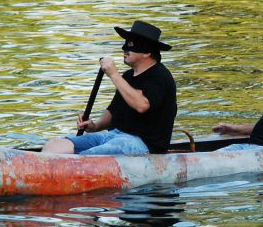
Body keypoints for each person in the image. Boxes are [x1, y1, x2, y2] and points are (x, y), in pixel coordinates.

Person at [42, 21, 177, 156]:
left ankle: (70, 169)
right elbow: (114, 111)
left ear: (147, 52)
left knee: (88, 155)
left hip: (142, 144)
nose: (124, 49)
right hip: (113, 135)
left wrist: (113, 74)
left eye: (130, 45)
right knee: (54, 145)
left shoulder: (160, 76)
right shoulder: (128, 76)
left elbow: (141, 105)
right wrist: (95, 126)